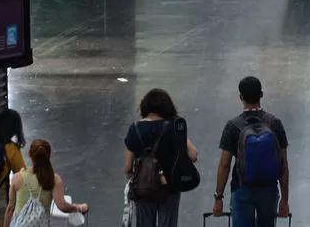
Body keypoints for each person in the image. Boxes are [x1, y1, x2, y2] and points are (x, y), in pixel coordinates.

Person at [211, 77, 290, 227]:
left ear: (241, 97)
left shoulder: (233, 126)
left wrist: (218, 198)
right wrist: (284, 200)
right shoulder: (274, 124)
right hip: (269, 190)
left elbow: (224, 165)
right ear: (261, 94)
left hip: (242, 190)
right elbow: (283, 164)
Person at [123, 88, 199, 227]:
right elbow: (193, 155)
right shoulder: (172, 127)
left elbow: (128, 167)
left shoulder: (135, 129)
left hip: (144, 187)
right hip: (170, 185)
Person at [2, 139, 90, 225]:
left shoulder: (18, 178)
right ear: (48, 155)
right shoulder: (53, 179)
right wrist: (79, 208)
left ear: (30, 154)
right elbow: (62, 206)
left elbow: (10, 208)